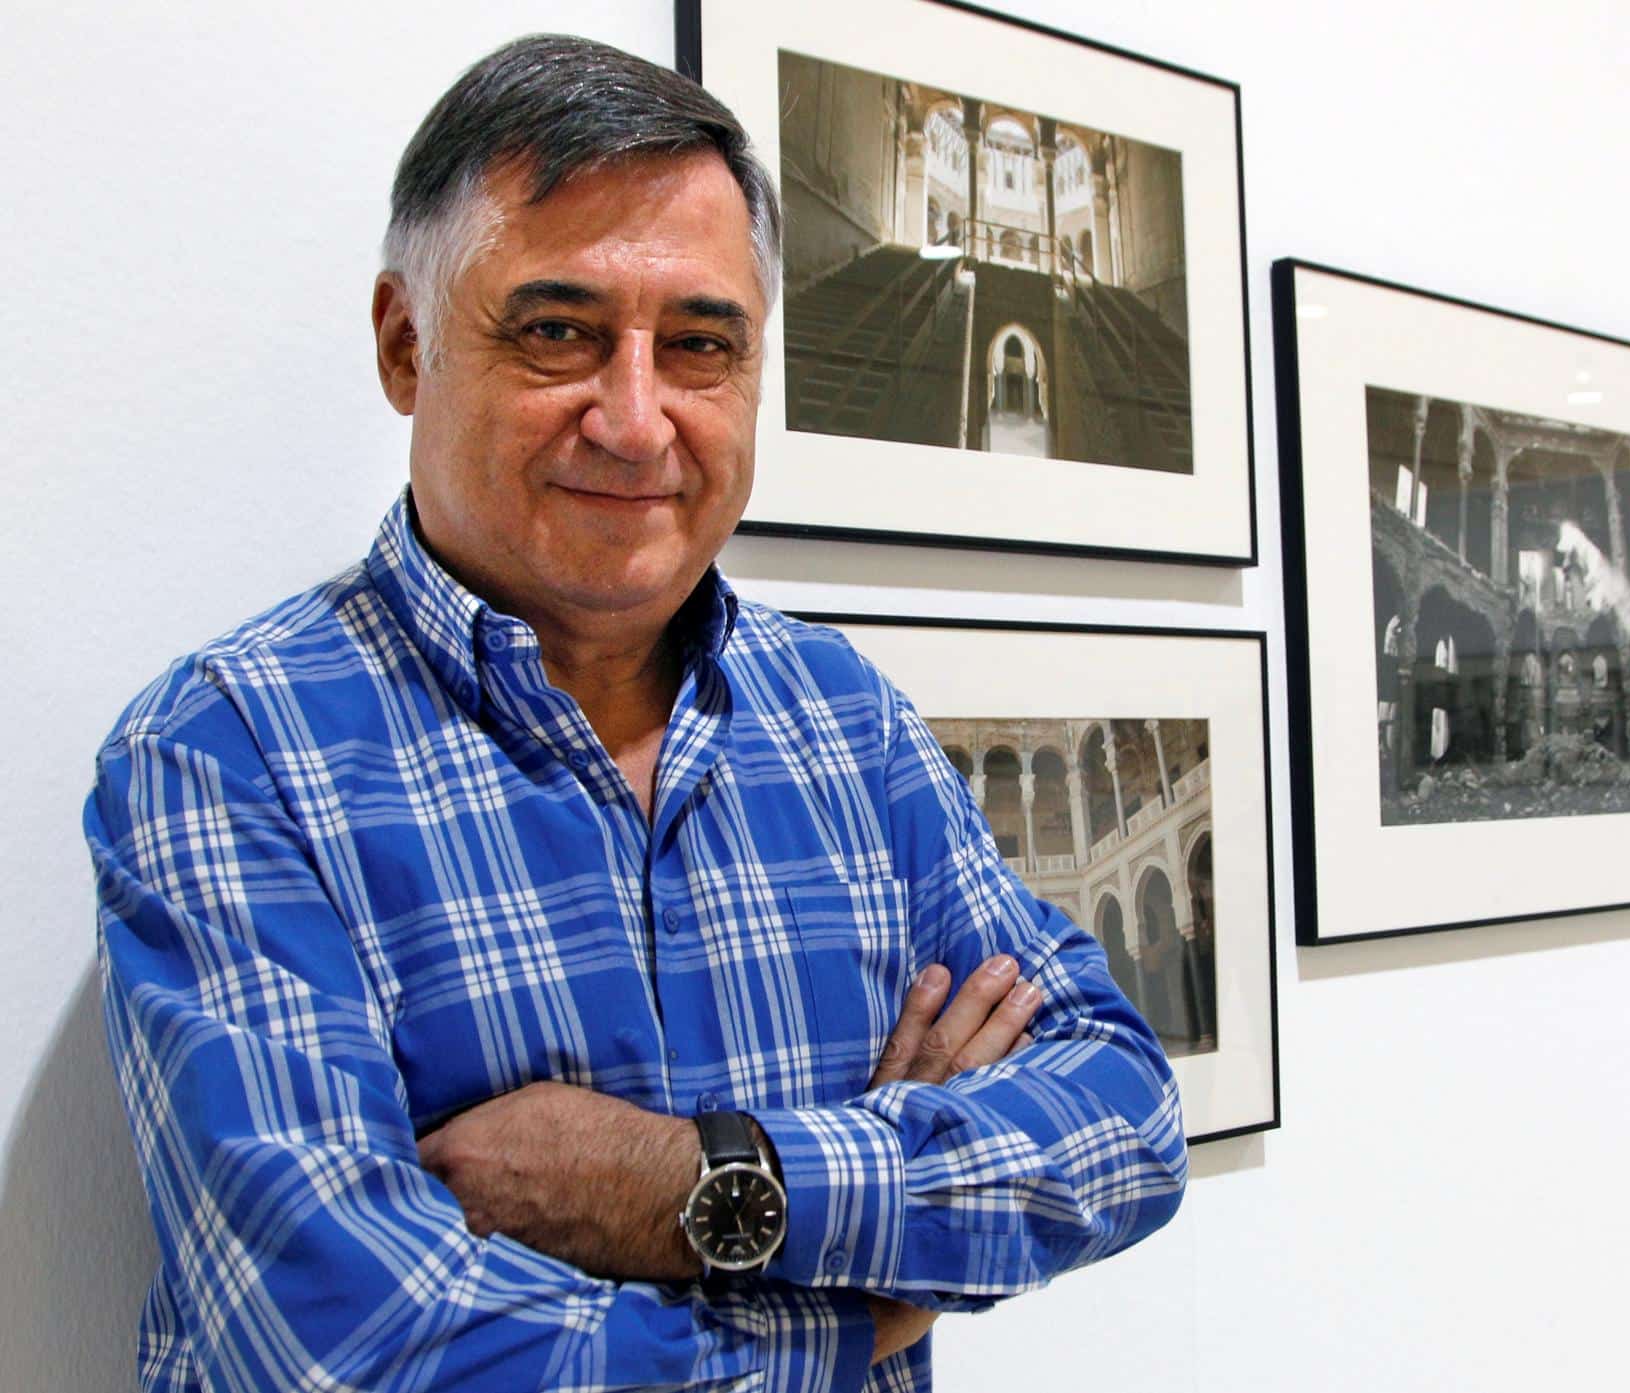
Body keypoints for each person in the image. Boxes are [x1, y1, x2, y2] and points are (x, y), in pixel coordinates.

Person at [83, 33, 1185, 1393]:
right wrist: (864, 1299)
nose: (636, 417)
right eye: (558, 331)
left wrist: (689, 1184)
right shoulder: (229, 753)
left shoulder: (844, 722)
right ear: (404, 344)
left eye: (702, 345)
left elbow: (1123, 1118)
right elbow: (351, 1349)